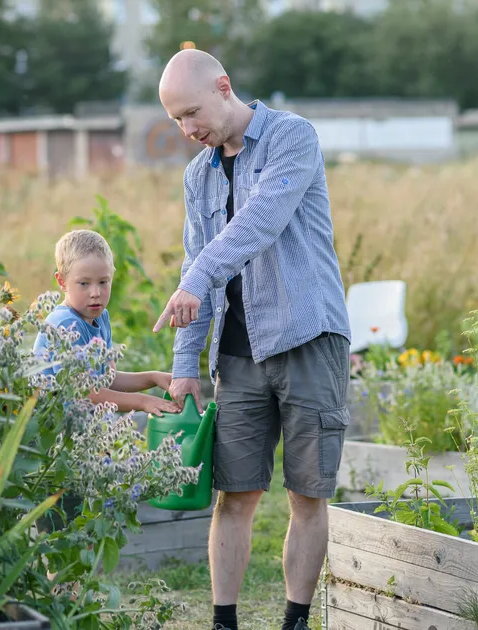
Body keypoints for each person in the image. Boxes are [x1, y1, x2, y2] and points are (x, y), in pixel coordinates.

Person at [152, 49, 352, 630]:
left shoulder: (292, 137)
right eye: (176, 122)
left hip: (307, 338)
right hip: (236, 357)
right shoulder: (198, 176)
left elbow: (261, 221)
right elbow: (198, 262)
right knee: (233, 496)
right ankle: (225, 623)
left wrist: (196, 277)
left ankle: (293, 622)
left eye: (192, 113)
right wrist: (185, 363)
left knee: (306, 494)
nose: (188, 130)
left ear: (224, 87)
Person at [33, 228, 181, 416]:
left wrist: (153, 378)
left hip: (86, 430)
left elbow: (106, 380)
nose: (95, 292)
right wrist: (143, 401)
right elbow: (84, 392)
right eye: (84, 283)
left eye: (103, 282)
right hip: (55, 432)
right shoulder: (65, 325)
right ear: (61, 282)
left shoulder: (100, 318)